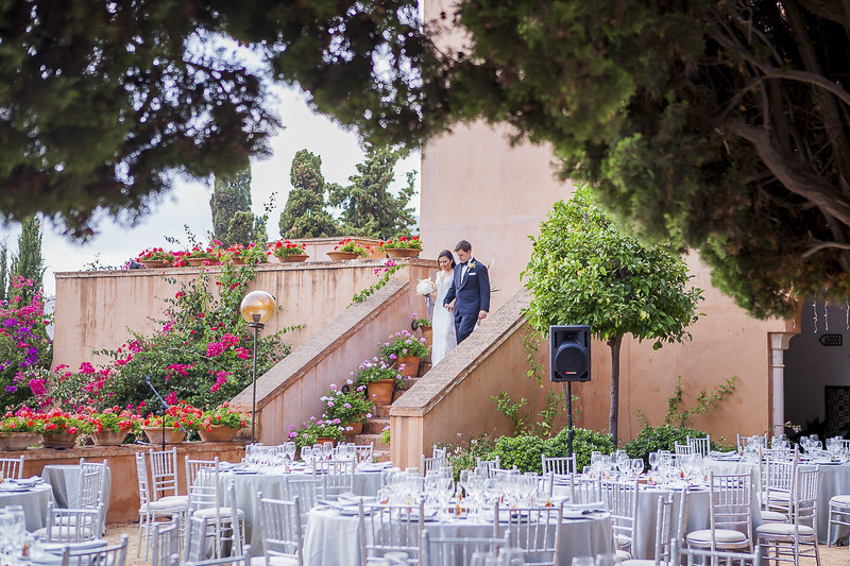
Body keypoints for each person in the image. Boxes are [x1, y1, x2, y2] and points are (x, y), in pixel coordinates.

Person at [443, 240, 491, 343]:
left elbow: (485, 290)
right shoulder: (457, 268)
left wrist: (484, 309)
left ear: (469, 252)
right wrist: (446, 301)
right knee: (460, 340)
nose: (459, 258)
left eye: (461, 255)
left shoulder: (479, 268)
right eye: (458, 255)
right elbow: (454, 287)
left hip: (471, 308)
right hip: (458, 309)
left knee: (463, 333)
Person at [430, 250, 458, 364]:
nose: (443, 265)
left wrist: (453, 303)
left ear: (451, 260)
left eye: (445, 261)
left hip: (450, 307)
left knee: (447, 332)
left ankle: (449, 361)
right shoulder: (439, 274)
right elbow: (439, 293)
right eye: (440, 262)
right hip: (438, 307)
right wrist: (428, 293)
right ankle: (437, 362)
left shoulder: (456, 273)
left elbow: (458, 291)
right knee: (438, 334)